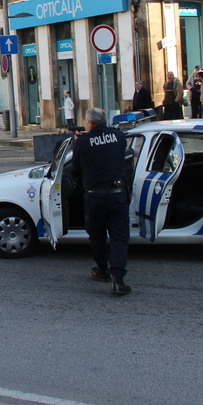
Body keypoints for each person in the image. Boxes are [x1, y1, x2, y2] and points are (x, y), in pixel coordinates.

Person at [70, 108, 131, 296]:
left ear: (89, 123)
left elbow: (76, 170)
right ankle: (118, 280)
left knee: (97, 236)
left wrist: (81, 139)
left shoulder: (81, 143)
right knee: (119, 237)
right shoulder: (119, 137)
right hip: (118, 194)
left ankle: (102, 270)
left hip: (94, 196)